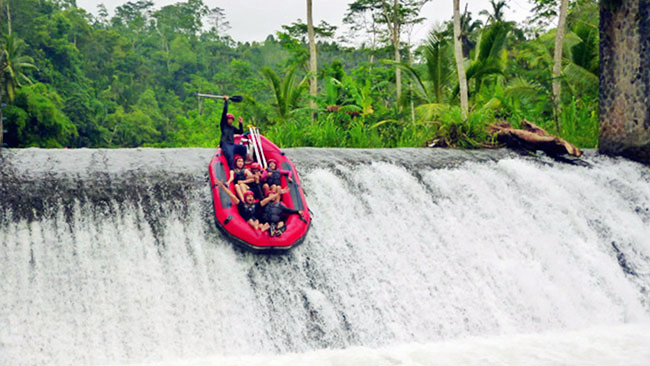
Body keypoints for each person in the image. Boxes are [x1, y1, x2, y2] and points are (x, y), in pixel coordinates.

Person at [220, 96, 247, 170]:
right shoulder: (223, 125)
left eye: (231, 119)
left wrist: (240, 123)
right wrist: (226, 101)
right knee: (230, 155)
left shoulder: (232, 128)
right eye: (229, 119)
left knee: (243, 148)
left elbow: (240, 132)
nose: (230, 121)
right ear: (226, 120)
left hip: (232, 145)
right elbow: (224, 112)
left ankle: (242, 165)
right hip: (225, 144)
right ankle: (231, 170)